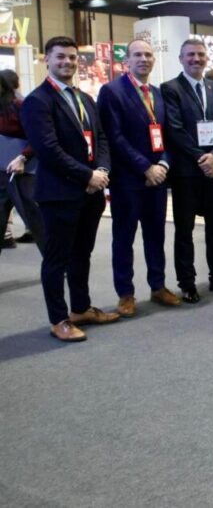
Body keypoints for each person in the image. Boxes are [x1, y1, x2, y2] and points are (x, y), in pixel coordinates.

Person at [21, 36, 119, 342]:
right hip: (60, 194)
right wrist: (87, 175)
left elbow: (101, 138)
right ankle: (59, 319)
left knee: (82, 255)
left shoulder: (84, 99)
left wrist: (101, 171)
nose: (67, 63)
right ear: (47, 60)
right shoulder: (37, 101)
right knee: (56, 259)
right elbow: (47, 149)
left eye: (72, 58)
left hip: (90, 193)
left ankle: (81, 308)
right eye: (60, 57)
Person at [97, 39, 180, 316]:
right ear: (127, 61)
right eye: (137, 55)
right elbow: (114, 137)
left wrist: (163, 165)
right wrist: (145, 167)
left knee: (156, 235)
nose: (144, 59)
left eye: (148, 54)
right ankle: (126, 294)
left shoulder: (157, 94)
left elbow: (165, 134)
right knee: (124, 238)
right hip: (128, 180)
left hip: (157, 179)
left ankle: (158, 286)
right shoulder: (112, 91)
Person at [161, 37, 213, 302]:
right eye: (191, 55)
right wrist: (202, 158)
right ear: (181, 59)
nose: (196, 59)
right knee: (185, 230)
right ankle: (187, 282)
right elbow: (174, 129)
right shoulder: (170, 88)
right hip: (186, 173)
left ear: (207, 58)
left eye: (201, 54)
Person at [0, 69, 45, 257]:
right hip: (2, 171)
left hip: (22, 172)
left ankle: (58, 262)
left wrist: (23, 157)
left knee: (34, 217)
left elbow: (38, 136)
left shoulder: (21, 105)